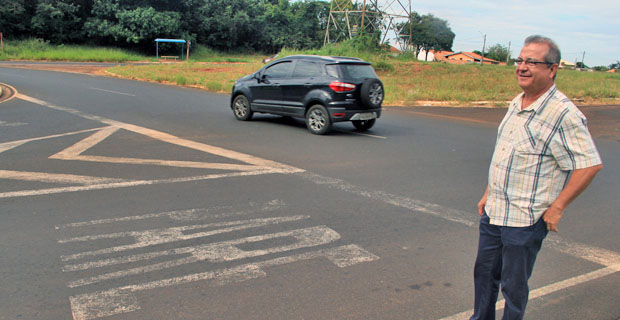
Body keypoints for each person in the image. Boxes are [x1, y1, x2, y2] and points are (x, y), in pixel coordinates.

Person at [470, 35, 603, 320]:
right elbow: (505, 154)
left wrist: (557, 207)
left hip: (525, 220)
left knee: (513, 286)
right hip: (495, 214)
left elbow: (589, 164)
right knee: (484, 276)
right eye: (520, 60)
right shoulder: (517, 103)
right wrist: (487, 192)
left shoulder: (563, 114)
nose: (522, 67)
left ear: (552, 69)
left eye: (532, 62)